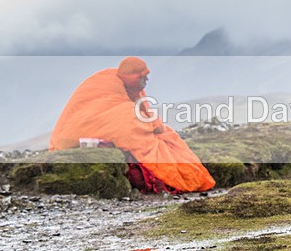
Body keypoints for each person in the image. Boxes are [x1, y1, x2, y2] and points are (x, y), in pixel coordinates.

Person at [50, 57, 216, 193]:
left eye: (146, 76)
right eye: (141, 77)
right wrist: (147, 125)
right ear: (129, 76)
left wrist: (154, 126)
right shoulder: (106, 85)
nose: (146, 81)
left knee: (168, 136)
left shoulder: (131, 88)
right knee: (129, 118)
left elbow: (146, 113)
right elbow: (119, 117)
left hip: (113, 124)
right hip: (74, 133)